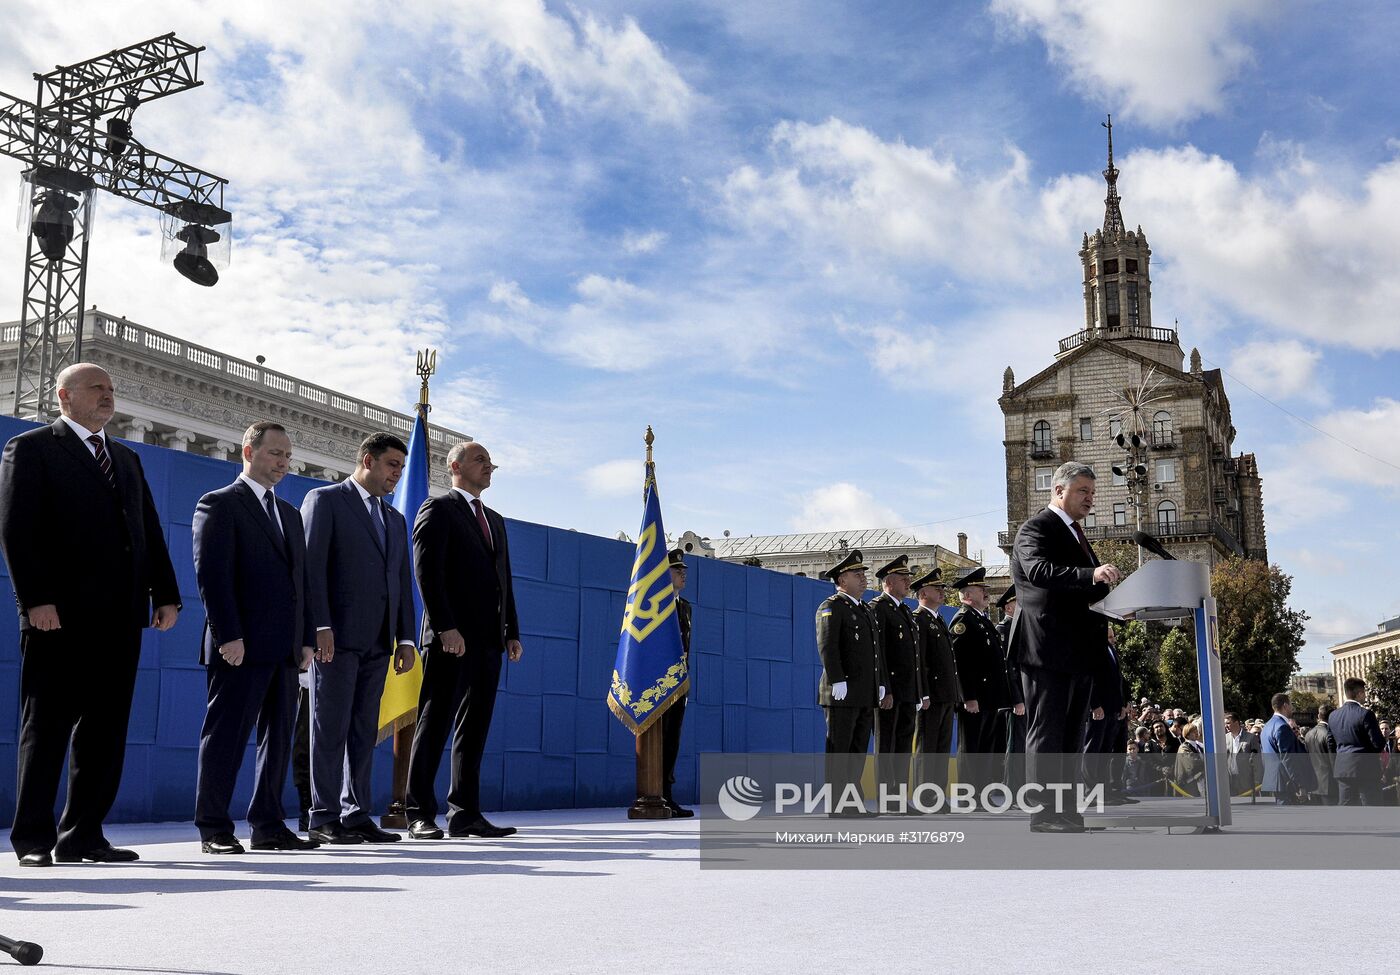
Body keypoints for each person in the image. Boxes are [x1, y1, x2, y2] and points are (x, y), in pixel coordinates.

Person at [0, 364, 180, 867]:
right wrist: (35, 600)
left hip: (120, 618)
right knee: (48, 727)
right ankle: (33, 840)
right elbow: (17, 528)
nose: (108, 395)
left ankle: (83, 835)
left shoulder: (125, 457)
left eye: (111, 389)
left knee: (106, 731)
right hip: (58, 617)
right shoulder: (32, 449)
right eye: (97, 387)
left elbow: (147, 529)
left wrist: (165, 593)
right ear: (64, 396)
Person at [192, 422, 320, 854]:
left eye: (287, 456)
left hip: (285, 651)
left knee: (278, 740)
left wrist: (305, 638)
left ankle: (268, 825)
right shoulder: (219, 504)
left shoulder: (288, 514)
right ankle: (214, 829)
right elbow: (212, 575)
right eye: (275, 454)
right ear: (249, 451)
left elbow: (300, 583)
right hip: (239, 648)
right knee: (226, 738)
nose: (283, 463)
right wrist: (229, 635)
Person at [301, 433, 416, 845]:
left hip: (378, 642)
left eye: (402, 468)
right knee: (328, 727)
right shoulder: (325, 500)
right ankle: (323, 815)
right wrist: (318, 626)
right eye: (391, 466)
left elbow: (401, 583)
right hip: (336, 638)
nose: (397, 475)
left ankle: (356, 814)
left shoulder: (396, 519)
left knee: (365, 730)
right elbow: (311, 568)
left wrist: (405, 637)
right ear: (367, 460)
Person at [407, 441, 524, 838]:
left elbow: (503, 580)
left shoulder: (494, 519)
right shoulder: (437, 509)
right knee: (435, 722)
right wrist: (444, 627)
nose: (489, 466)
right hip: (449, 639)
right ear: (455, 466)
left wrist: (511, 631)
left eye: (491, 461)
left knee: (475, 729)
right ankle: (418, 812)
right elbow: (427, 574)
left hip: (489, 641)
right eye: (480, 460)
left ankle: (465, 813)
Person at [1006, 462, 1118, 833]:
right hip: (1046, 647)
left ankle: (1067, 811)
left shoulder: (1076, 534)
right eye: (1083, 491)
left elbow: (1084, 589)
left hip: (1078, 650)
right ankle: (1043, 814)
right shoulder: (1036, 528)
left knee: (1072, 733)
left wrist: (1117, 601)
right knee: (1047, 731)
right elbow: (1039, 571)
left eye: (1092, 492)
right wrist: (1092, 573)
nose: (1090, 498)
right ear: (1059, 491)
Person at [814, 549, 882, 817]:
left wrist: (878, 683)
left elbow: (872, 653)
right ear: (842, 580)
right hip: (840, 693)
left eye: (864, 574)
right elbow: (827, 646)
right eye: (857, 574)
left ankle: (852, 802)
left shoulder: (864, 609)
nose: (864, 578)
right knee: (839, 751)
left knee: (856, 753)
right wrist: (837, 679)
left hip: (864, 693)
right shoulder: (831, 606)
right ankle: (836, 804)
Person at [948, 567, 1014, 800]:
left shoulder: (981, 621)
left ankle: (981, 793)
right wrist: (968, 696)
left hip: (989, 696)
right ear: (967, 595)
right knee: (972, 748)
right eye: (980, 589)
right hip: (975, 698)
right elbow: (961, 663)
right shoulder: (963, 621)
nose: (986, 592)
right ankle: (968, 795)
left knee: (985, 748)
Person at [869, 554, 923, 800]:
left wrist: (919, 691)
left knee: (903, 746)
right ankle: (886, 796)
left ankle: (899, 796)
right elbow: (878, 652)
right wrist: (884, 689)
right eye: (904, 579)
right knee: (887, 744)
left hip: (908, 691)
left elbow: (913, 658)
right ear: (889, 582)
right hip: (891, 691)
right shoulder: (878, 608)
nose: (908, 583)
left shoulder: (905, 611)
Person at [910, 568, 960, 799]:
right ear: (922, 594)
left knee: (941, 749)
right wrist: (923, 693)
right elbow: (920, 661)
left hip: (946, 694)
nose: (942, 592)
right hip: (931, 695)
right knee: (927, 747)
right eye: (936, 589)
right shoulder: (918, 619)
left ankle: (937, 795)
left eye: (942, 588)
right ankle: (925, 795)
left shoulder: (938, 620)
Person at [660, 548, 693, 818]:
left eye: (683, 569)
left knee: (673, 740)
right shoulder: (653, 605)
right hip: (657, 684)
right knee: (658, 738)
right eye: (677, 569)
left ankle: (667, 795)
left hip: (678, 683)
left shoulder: (684, 606)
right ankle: (654, 793)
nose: (683, 573)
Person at [1086, 625, 1136, 805]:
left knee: (1105, 752)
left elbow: (1118, 681)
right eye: (1109, 636)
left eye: (1113, 636)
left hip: (1112, 709)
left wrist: (1123, 704)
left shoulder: (1111, 652)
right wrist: (1095, 705)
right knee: (1093, 752)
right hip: (1099, 709)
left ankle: (1105, 792)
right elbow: (1091, 679)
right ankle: (1090, 792)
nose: (1113, 639)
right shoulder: (1093, 650)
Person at [1330, 678, 1385, 806]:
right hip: (1366, 769)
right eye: (1364, 692)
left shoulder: (1333, 715)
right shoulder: (1366, 714)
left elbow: (1331, 743)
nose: (1365, 696)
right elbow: (1378, 744)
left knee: (1346, 807)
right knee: (1372, 807)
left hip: (1342, 768)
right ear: (1359, 693)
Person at [995, 586, 1028, 791]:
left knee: (1023, 745)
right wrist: (1017, 699)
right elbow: (1009, 668)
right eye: (1018, 603)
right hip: (1014, 700)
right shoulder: (1004, 630)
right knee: (1014, 746)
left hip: (1026, 696)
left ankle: (1021, 786)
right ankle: (1012, 788)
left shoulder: (1021, 629)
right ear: (1008, 608)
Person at [1260, 693, 1315, 804]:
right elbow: (1288, 758)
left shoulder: (1267, 726)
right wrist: (1299, 785)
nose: (1292, 708)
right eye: (1291, 704)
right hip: (1287, 782)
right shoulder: (1282, 727)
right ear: (1285, 705)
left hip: (1275, 780)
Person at [1304, 706, 1338, 806]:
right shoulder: (1329, 734)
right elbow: (1333, 760)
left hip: (1313, 784)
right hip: (1330, 784)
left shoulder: (1308, 734)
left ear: (1319, 716)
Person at [1224, 712, 1259, 797]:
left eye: (1228, 723)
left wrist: (1257, 781)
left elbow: (1258, 760)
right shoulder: (1225, 738)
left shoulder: (1251, 738)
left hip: (1247, 781)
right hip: (1231, 781)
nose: (1226, 726)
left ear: (1236, 723)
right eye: (1225, 724)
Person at [1173, 721, 1205, 797]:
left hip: (1200, 781)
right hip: (1190, 782)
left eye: (1197, 731)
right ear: (1187, 734)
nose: (1197, 733)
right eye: (1193, 732)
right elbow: (1192, 762)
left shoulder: (1199, 746)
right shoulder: (1183, 747)